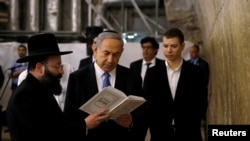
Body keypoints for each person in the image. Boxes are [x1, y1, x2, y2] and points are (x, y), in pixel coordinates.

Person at [6, 33, 111, 141]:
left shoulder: (40, 89)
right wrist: (85, 124)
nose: (61, 71)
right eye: (57, 66)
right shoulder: (24, 96)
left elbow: (58, 125)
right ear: (39, 68)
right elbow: (48, 134)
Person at [64, 31, 145, 141]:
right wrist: (86, 124)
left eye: (116, 55)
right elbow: (68, 119)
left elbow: (142, 115)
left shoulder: (132, 78)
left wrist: (131, 121)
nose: (110, 60)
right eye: (106, 53)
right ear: (95, 49)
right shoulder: (77, 78)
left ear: (121, 52)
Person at [143, 27, 207, 141]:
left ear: (182, 46)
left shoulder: (196, 72)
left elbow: (201, 102)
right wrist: (153, 126)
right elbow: (147, 102)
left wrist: (194, 122)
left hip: (189, 133)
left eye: (173, 46)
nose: (169, 50)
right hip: (160, 133)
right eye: (166, 46)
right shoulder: (153, 73)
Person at [129, 36, 164, 140]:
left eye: (148, 47)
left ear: (155, 50)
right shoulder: (134, 65)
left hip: (156, 109)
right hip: (138, 109)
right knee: (137, 136)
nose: (145, 50)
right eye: (143, 47)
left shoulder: (162, 65)